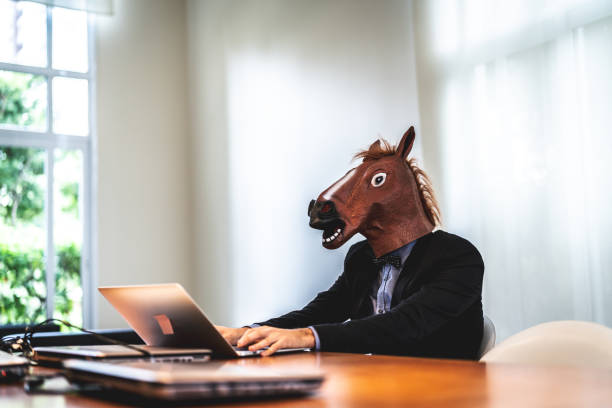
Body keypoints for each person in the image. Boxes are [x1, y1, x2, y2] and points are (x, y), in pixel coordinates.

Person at [217, 128, 484, 359]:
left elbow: (405, 323)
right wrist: (245, 334)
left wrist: (307, 337)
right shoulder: (362, 257)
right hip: (378, 384)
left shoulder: (457, 257)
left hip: (445, 387)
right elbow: (322, 310)